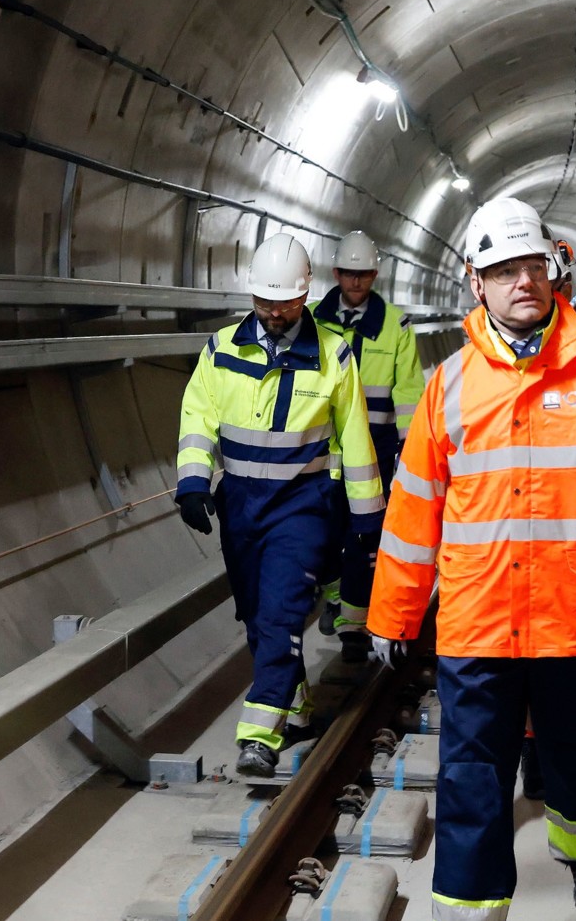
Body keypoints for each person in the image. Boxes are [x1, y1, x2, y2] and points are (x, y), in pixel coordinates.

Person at [366, 197, 576, 919]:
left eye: (531, 265)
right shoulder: (448, 386)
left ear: (552, 270)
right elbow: (414, 511)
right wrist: (392, 612)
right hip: (478, 626)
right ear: (476, 283)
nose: (521, 282)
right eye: (503, 270)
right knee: (471, 779)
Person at [175, 233, 384, 777]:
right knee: (254, 614)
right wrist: (194, 482)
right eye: (263, 301)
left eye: (284, 302)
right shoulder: (222, 348)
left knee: (280, 612)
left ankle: (257, 735)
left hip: (303, 503)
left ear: (305, 294)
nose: (272, 312)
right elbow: (197, 416)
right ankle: (295, 705)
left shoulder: (334, 353)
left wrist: (366, 515)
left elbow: (355, 434)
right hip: (241, 502)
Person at [310, 230, 424, 664]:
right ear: (336, 273)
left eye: (364, 275)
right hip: (324, 446)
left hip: (373, 446)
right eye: (349, 274)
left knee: (363, 533)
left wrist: (409, 449)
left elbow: (409, 388)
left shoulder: (395, 324)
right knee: (323, 531)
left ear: (374, 275)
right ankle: (337, 593)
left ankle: (353, 625)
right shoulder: (315, 319)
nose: (356, 283)